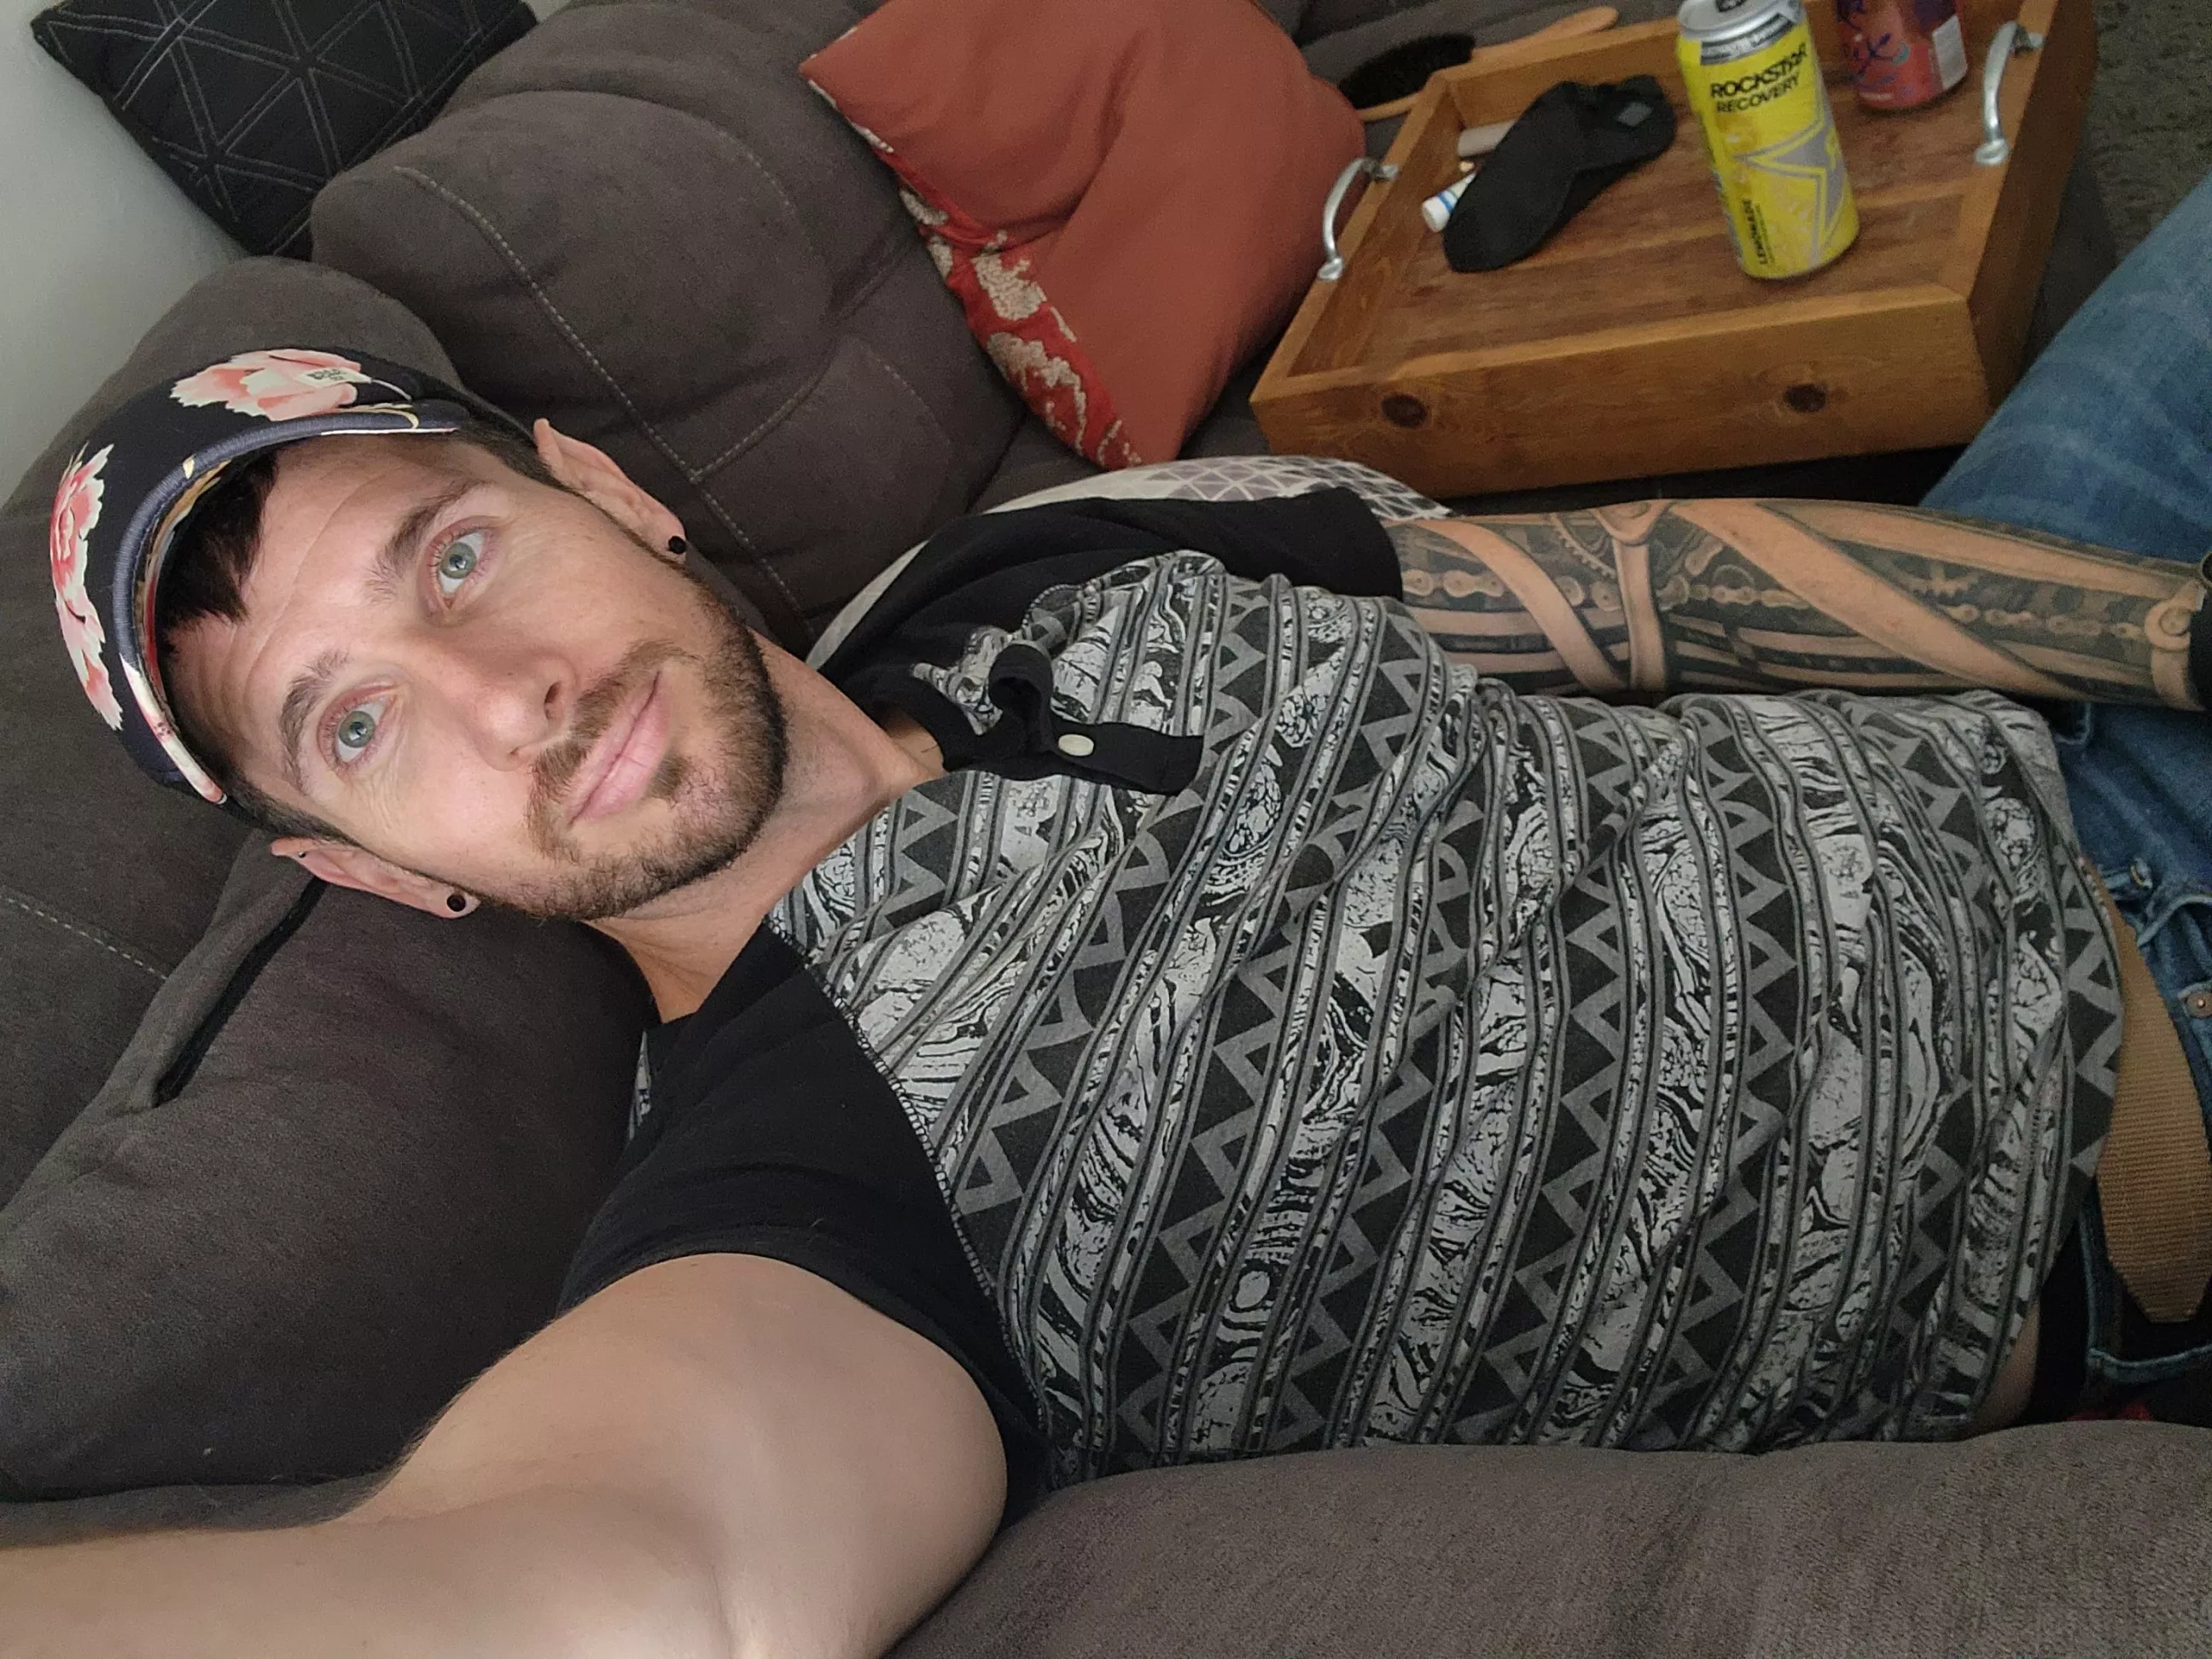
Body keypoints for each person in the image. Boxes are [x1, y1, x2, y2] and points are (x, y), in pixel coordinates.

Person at [16, 172, 2212, 1654]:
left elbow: (1630, 598)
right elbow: (633, 1571)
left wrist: (2175, 642)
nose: (510, 696)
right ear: (370, 870)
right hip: (2140, 1073)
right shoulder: (804, 1183)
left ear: (597, 486)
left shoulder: (1013, 578)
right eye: (359, 726)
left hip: (2014, 725)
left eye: (457, 555)